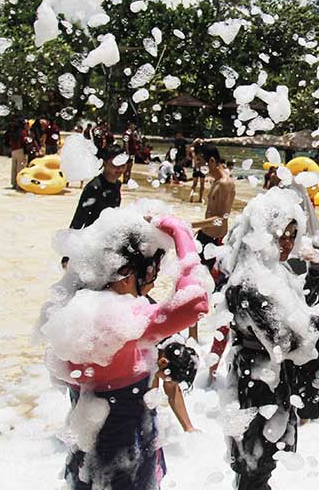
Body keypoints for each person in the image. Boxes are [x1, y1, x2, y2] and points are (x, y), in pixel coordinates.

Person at [39, 208, 209, 490]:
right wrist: (180, 233)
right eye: (151, 272)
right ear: (126, 273)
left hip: (95, 458)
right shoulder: (113, 319)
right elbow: (196, 304)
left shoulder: (80, 309)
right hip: (122, 461)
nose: (152, 281)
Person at [216, 189, 319, 490]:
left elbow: (297, 311)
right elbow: (289, 341)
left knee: (258, 465)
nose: (288, 242)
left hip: (269, 380)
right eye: (281, 234)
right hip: (257, 386)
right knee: (256, 464)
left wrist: (317, 271)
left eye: (293, 234)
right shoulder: (251, 283)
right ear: (264, 233)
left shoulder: (273, 271)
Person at [190, 144, 235, 274]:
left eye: (199, 160)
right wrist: (200, 228)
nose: (196, 164)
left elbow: (221, 219)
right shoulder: (216, 181)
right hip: (204, 237)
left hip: (214, 244)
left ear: (212, 161)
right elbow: (212, 213)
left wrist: (191, 224)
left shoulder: (225, 184)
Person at [69, 144, 126, 230]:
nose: (120, 169)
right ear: (105, 163)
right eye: (116, 165)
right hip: (92, 236)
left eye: (123, 165)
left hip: (108, 234)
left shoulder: (117, 184)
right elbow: (79, 218)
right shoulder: (94, 187)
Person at [154, 341, 199, 433]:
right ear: (163, 362)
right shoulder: (146, 357)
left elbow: (172, 389)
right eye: (170, 380)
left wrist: (188, 427)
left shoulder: (165, 356)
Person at [188, 139, 206, 203]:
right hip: (203, 169)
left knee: (194, 184)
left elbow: (190, 147)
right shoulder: (204, 152)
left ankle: (191, 195)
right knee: (202, 185)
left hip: (195, 168)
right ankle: (200, 199)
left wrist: (194, 142)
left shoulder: (194, 152)